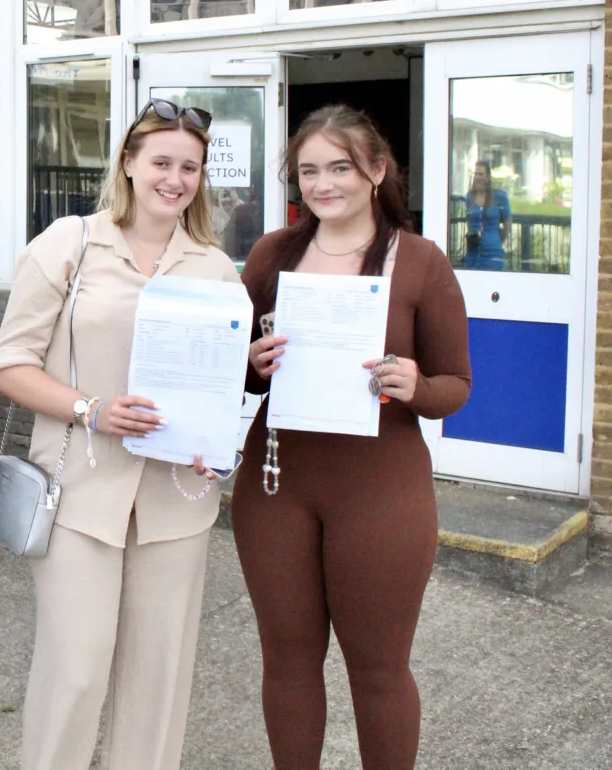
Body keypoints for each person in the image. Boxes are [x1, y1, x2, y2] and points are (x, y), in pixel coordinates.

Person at [0, 100, 243, 770]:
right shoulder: (67, 245)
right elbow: (8, 365)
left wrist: (220, 446)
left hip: (175, 499)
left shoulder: (215, 268)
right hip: (79, 490)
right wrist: (90, 408)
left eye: (189, 167)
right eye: (161, 161)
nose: (175, 178)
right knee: (75, 669)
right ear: (127, 163)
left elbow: (220, 386)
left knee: (157, 679)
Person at [235, 105, 471, 770]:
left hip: (381, 491)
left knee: (378, 668)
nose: (322, 183)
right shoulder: (271, 255)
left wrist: (415, 383)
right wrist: (251, 365)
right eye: (308, 170)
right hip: (277, 484)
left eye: (338, 166)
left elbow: (456, 384)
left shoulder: (420, 261)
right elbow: (237, 373)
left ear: (375, 169)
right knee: (286, 658)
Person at [463, 160, 511, 271]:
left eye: (481, 174)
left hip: (492, 251)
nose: (477, 177)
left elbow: (507, 223)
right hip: (473, 252)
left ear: (487, 177)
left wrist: (496, 240)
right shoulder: (470, 197)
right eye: (475, 174)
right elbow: (469, 222)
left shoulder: (499, 196)